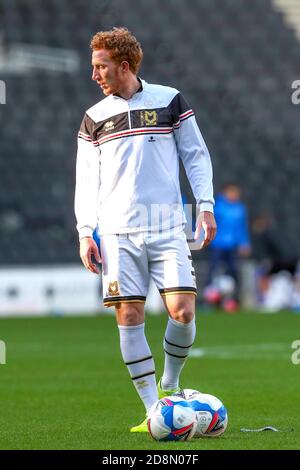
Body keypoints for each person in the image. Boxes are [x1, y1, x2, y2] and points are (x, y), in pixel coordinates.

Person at [74, 27, 216, 432]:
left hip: (167, 224)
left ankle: (170, 385)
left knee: (183, 310)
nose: (95, 75)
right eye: (93, 67)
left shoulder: (170, 100)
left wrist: (205, 206)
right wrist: (87, 231)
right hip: (117, 231)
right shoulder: (94, 117)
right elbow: (86, 180)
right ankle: (155, 411)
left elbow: (195, 154)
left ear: (124, 66)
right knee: (130, 314)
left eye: (100, 67)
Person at [205, 183, 250, 307]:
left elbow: (242, 228)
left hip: (232, 246)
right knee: (213, 271)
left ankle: (233, 300)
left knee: (234, 272)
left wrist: (244, 243)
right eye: (232, 192)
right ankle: (209, 300)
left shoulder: (240, 208)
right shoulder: (217, 206)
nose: (234, 195)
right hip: (218, 245)